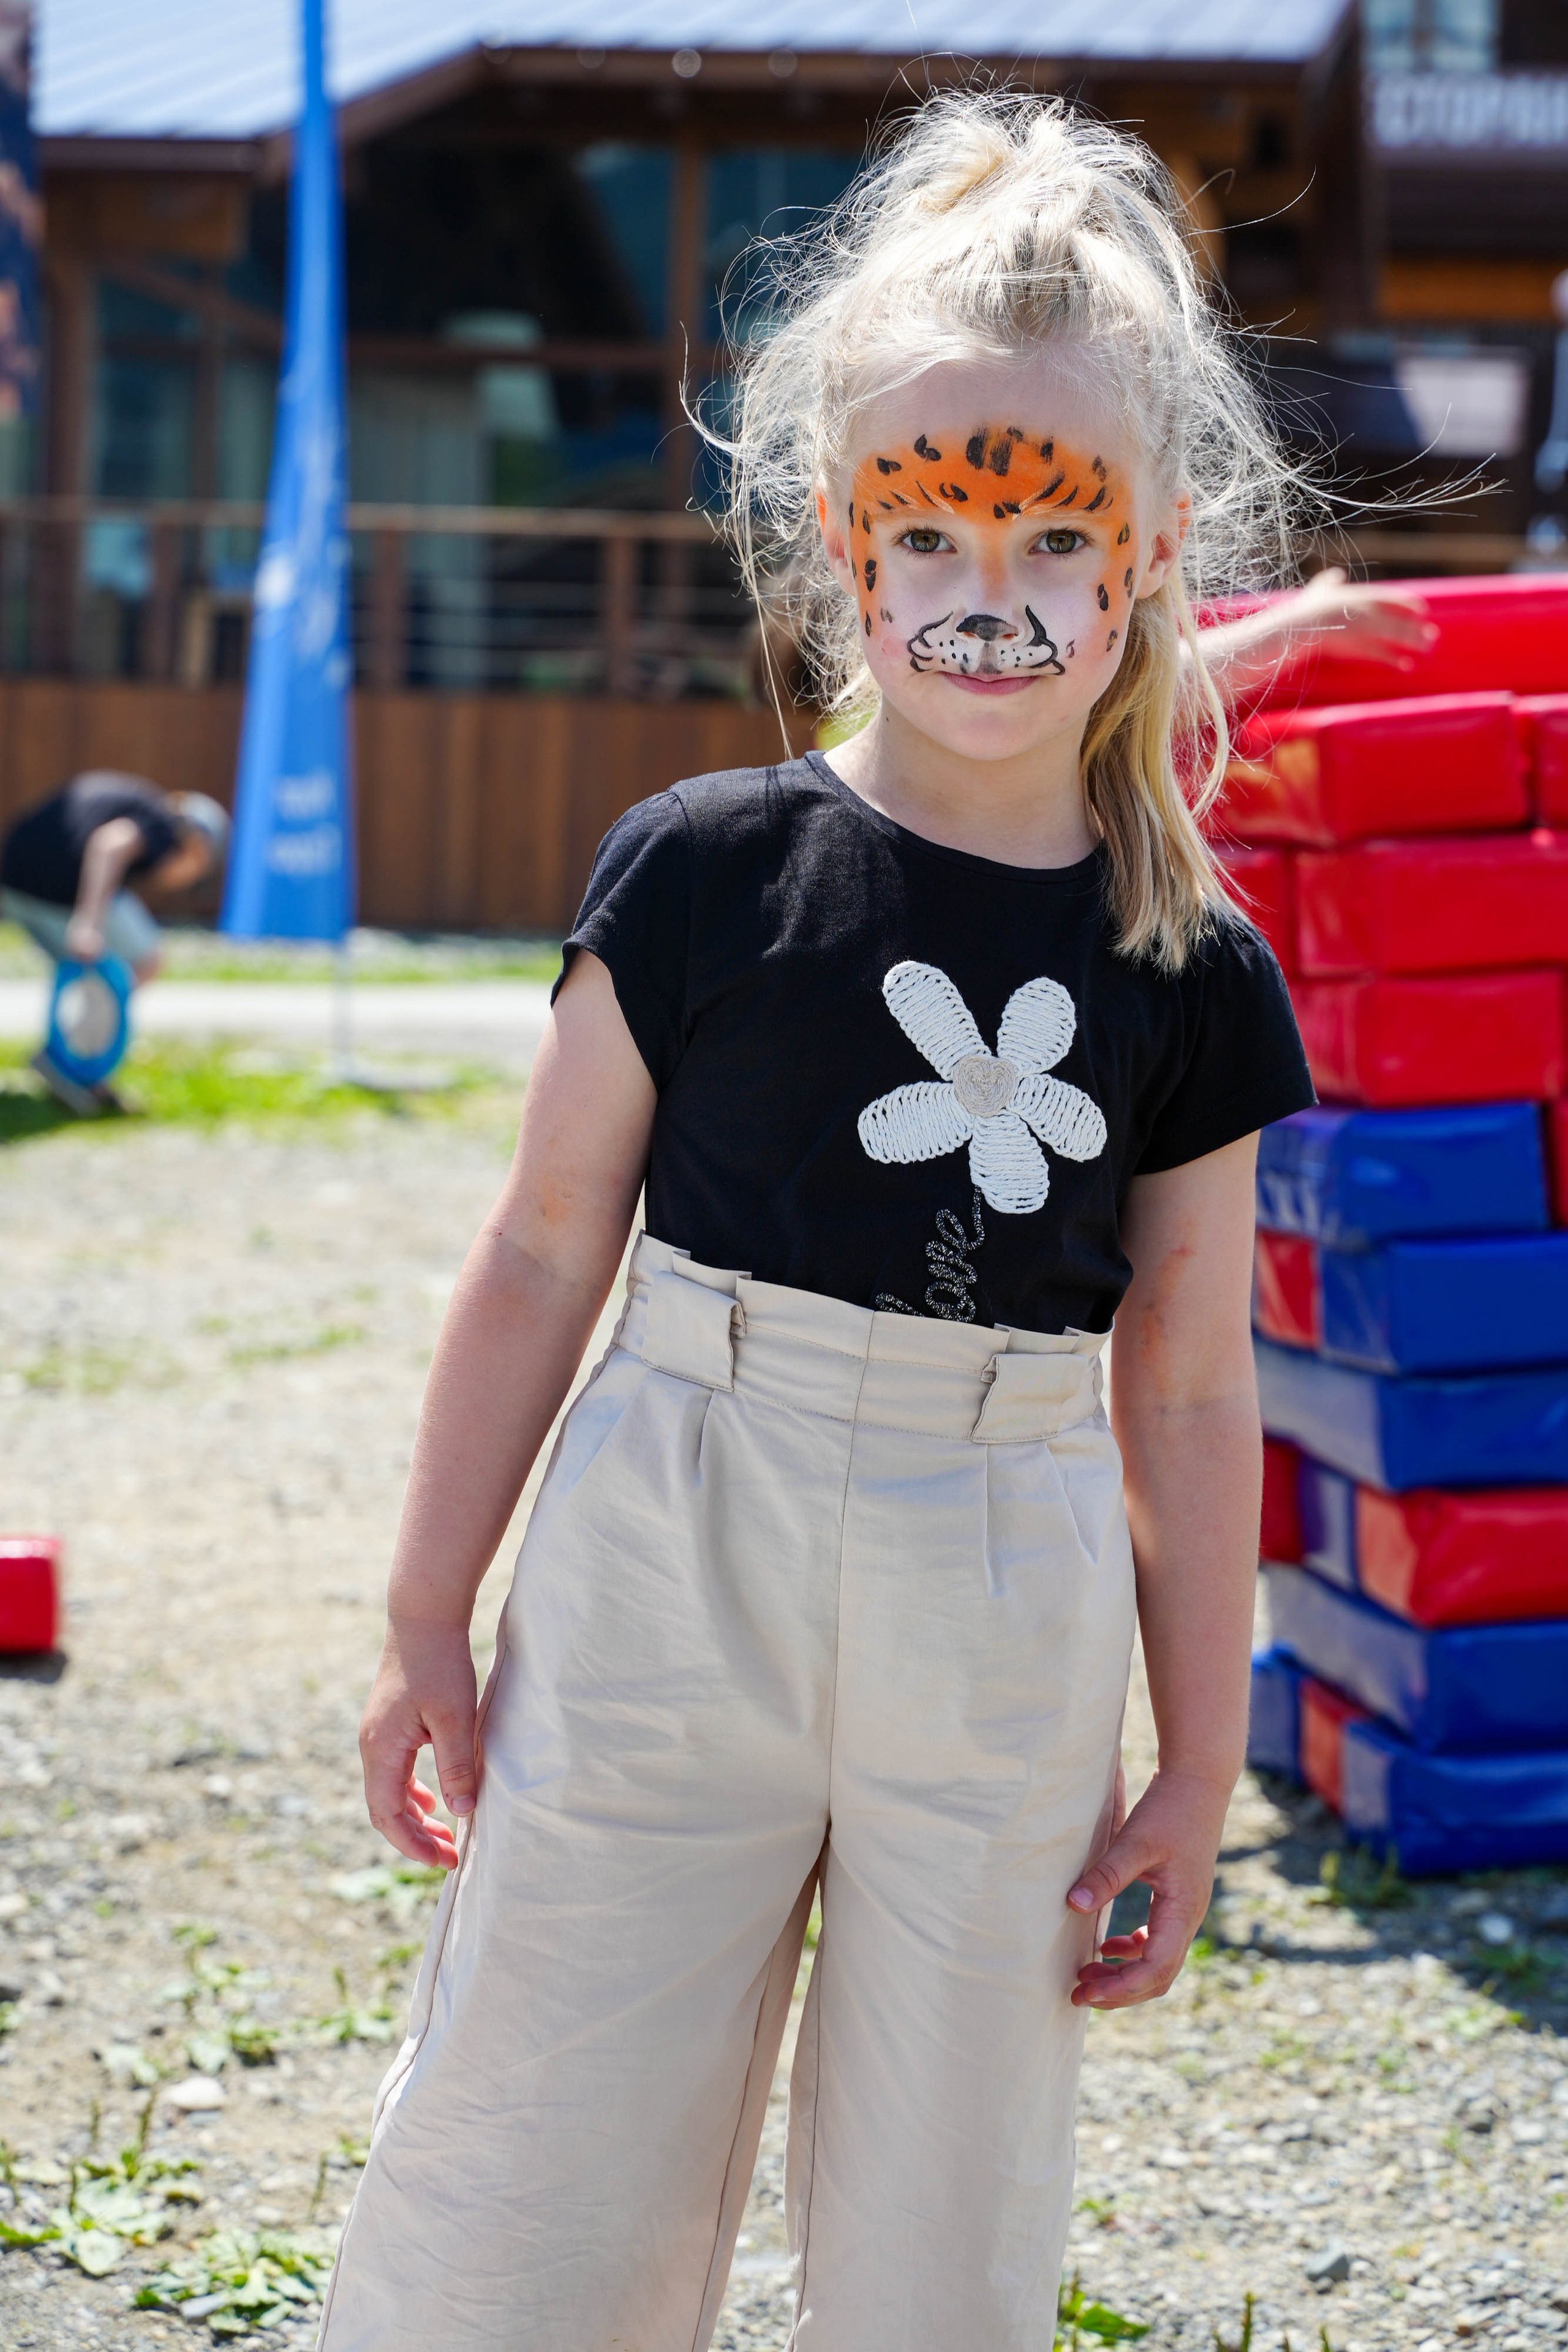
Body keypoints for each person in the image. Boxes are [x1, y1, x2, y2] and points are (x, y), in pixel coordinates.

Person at [319, 92, 1321, 2352]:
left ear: (1150, 550)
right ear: (841, 544)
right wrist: (418, 1619)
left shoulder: (1189, 965)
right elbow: (543, 1249)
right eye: (933, 534)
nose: (991, 598)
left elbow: (1181, 1369)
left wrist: (1194, 1753)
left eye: (1053, 542)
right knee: (546, 2114)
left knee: (944, 2180)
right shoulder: (693, 873)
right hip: (682, 1528)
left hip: (1004, 1573)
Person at [0, 771, 228, 1107]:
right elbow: (109, 844)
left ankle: (76, 1065)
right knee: (145, 960)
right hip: (52, 888)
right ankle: (73, 1063)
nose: (184, 886)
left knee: (92, 970)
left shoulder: (141, 806)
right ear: (196, 847)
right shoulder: (162, 827)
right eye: (196, 876)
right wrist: (89, 921)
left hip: (14, 879)